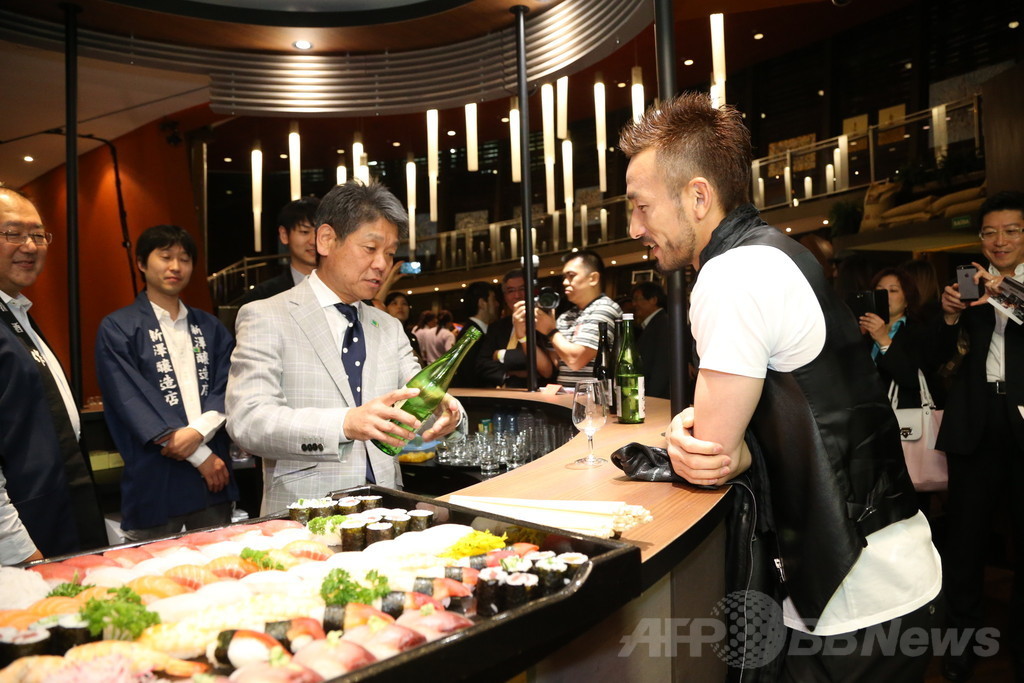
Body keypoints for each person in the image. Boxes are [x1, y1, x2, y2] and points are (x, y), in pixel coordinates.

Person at [620, 93, 941, 680]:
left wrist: (690, 433)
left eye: (640, 207)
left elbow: (709, 456)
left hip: (852, 598)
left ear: (696, 196)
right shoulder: (779, 250)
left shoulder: (732, 274)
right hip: (894, 571)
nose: (633, 226)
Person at [226, 181, 466, 514]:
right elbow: (248, 422)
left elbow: (415, 397)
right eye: (371, 248)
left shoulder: (388, 326)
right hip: (305, 511)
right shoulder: (267, 315)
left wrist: (443, 409)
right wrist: (345, 423)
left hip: (387, 507)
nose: (383, 264)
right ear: (326, 239)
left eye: (390, 252)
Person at [96, 225, 239, 541]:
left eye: (184, 259)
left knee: (222, 567)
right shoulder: (119, 328)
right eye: (165, 257)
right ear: (142, 263)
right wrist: (201, 457)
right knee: (152, 574)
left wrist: (197, 433)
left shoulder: (210, 327)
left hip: (213, 480)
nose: (176, 267)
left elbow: (230, 385)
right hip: (157, 476)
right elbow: (130, 400)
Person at [934, 191, 1024, 682]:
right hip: (975, 423)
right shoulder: (968, 287)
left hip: (1023, 422)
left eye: (1011, 230)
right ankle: (962, 643)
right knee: (964, 542)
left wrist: (1003, 291)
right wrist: (950, 313)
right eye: (989, 232)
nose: (999, 240)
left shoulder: (1004, 288)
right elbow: (935, 356)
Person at [0, 187, 105, 563]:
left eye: (38, 234)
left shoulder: (18, 312)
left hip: (62, 516)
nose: (29, 246)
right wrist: (17, 550)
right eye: (13, 233)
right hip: (25, 540)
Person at [531, 250, 622, 388]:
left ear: (593, 278)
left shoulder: (605, 308)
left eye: (571, 276)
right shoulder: (565, 316)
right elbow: (557, 364)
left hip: (597, 402)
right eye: (564, 277)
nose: (565, 282)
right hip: (566, 400)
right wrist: (524, 337)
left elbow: (575, 360)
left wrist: (550, 330)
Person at [858, 267, 930, 408]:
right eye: (880, 290)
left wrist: (884, 340)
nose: (885, 295)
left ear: (907, 299)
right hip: (864, 410)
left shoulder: (918, 331)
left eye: (893, 290)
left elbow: (911, 379)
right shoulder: (863, 329)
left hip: (900, 413)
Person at [475, 269, 555, 388]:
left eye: (522, 289)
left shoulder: (543, 322)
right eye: (510, 291)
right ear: (505, 296)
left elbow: (544, 367)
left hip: (536, 397)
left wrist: (500, 355)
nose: (517, 296)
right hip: (503, 398)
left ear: (532, 291)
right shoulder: (496, 327)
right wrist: (509, 374)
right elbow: (482, 365)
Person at [241, 197, 320, 303]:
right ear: (284, 235)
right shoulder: (262, 298)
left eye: (320, 233)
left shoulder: (346, 291)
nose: (313, 241)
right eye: (304, 232)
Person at [452, 281, 500, 387]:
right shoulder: (471, 333)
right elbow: (470, 373)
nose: (497, 304)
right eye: (493, 299)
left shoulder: (480, 330)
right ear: (482, 303)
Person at [631, 281, 671, 399]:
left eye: (638, 299)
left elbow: (662, 366)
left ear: (653, 300)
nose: (634, 304)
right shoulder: (654, 324)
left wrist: (651, 398)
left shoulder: (663, 323)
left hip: (658, 398)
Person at [383, 291, 421, 363]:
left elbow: (421, 366)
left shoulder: (411, 336)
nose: (400, 307)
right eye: (394, 303)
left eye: (404, 304)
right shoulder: (381, 334)